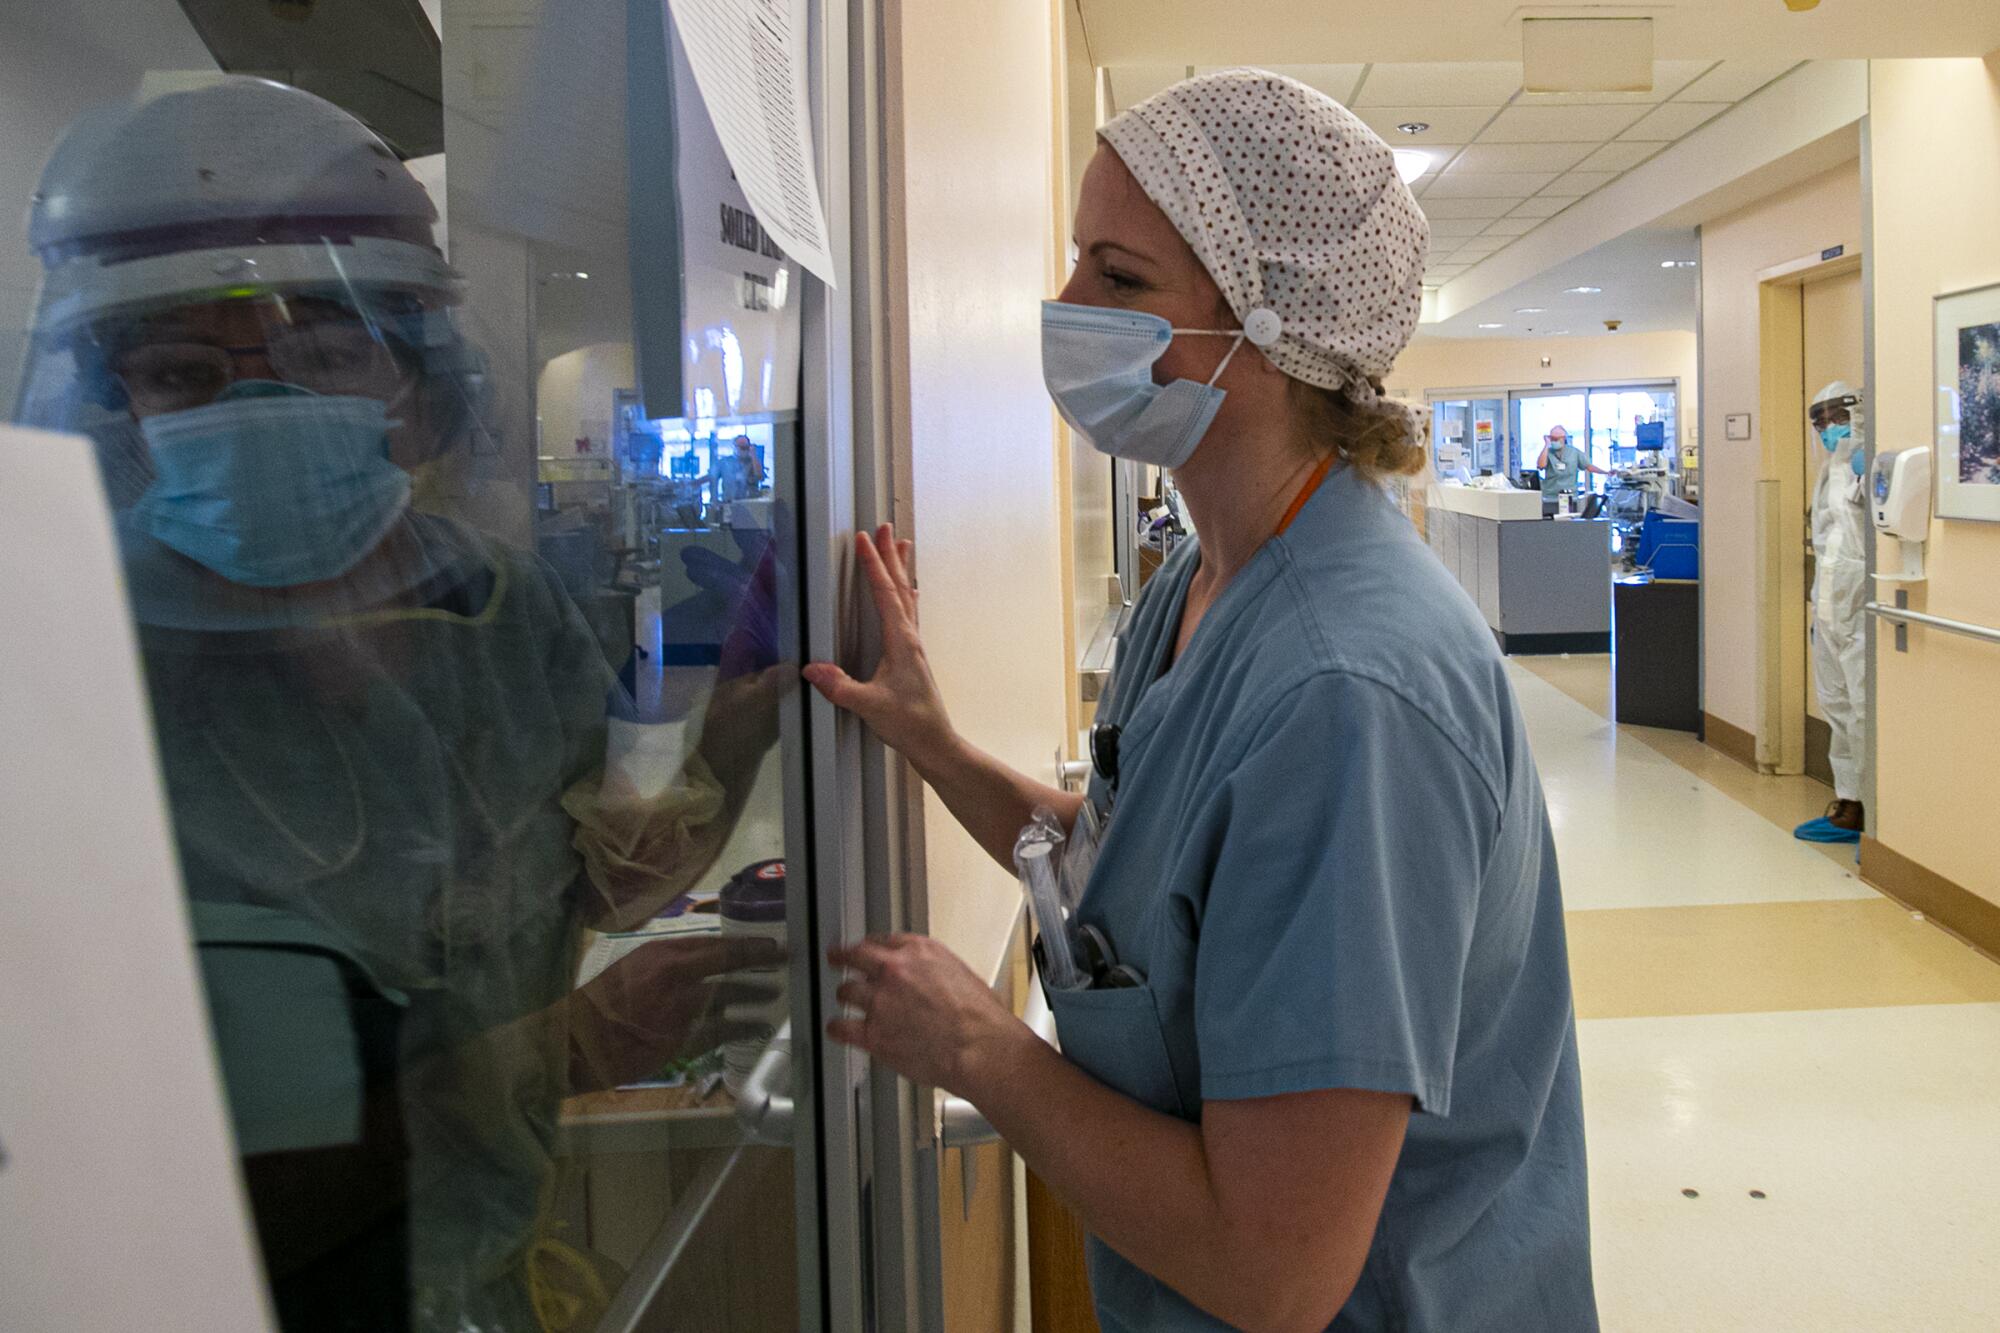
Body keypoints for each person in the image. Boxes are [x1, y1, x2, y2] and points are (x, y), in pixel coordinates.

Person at [805, 71, 1596, 1332]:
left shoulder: (1349, 698)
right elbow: (1147, 879)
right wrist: (931, 743)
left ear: (1272, 334)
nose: (1062, 309)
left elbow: (1273, 1271)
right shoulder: (1209, 573)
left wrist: (979, 1052)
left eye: (1118, 281)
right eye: (1076, 262)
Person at [12, 77, 784, 1331]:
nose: (262, 407)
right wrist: (564, 1048)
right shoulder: (63, 681)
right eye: (185, 369)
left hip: (484, 1267)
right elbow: (149, 1157)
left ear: (420, 386)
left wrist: (739, 734)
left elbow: (588, 874)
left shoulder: (495, 610)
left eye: (323, 353)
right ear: (119, 413)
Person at [1795, 380, 1869, 842]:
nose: (1827, 429)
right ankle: (1849, 801)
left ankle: (1877, 815)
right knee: (1837, 705)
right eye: (1820, 422)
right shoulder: (1827, 472)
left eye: (1835, 419)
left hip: (1860, 605)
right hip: (1829, 605)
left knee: (1864, 707)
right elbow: (1826, 545)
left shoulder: (1865, 463)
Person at [1537, 423, 1609, 500]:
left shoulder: (1574, 452)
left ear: (1564, 438)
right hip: (1550, 495)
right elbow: (1541, 465)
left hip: (1570, 495)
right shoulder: (1547, 453)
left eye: (1556, 439)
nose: (1553, 441)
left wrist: (1606, 472)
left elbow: (1589, 466)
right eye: (1552, 439)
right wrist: (1546, 445)